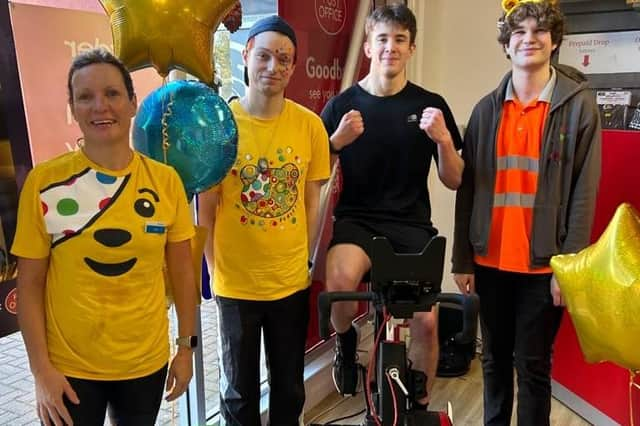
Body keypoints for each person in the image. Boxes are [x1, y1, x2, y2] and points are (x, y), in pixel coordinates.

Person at [12, 48, 197, 426]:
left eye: (112, 94)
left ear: (132, 103)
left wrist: (186, 349)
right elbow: (29, 286)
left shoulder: (165, 183)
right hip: (69, 369)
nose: (100, 106)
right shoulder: (45, 184)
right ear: (73, 108)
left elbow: (182, 274)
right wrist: (40, 371)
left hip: (145, 363)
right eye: (86, 97)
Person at [452, 1, 601, 425]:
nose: (529, 39)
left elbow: (583, 195)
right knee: (494, 364)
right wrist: (463, 259)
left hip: (543, 267)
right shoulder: (485, 110)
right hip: (490, 262)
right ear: (506, 44)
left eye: (539, 31)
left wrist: (567, 269)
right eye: (519, 32)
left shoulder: (577, 107)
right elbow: (468, 191)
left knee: (532, 368)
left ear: (554, 41)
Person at [321, 3, 464, 408]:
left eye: (399, 39)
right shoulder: (342, 106)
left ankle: (417, 404)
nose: (390, 48)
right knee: (341, 283)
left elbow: (454, 179)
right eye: (382, 39)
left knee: (428, 322)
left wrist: (443, 140)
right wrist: (336, 143)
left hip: (411, 226)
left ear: (411, 48)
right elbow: (314, 175)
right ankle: (347, 347)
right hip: (357, 221)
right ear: (367, 46)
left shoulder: (431, 105)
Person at [197, 16, 330, 426]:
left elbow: (312, 202)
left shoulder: (309, 126)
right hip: (236, 283)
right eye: (265, 56)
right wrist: (216, 271)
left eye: (284, 59)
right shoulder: (220, 128)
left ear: (293, 68)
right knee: (238, 392)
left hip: (288, 281)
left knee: (289, 387)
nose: (273, 67)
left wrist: (304, 261)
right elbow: (207, 206)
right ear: (247, 56)